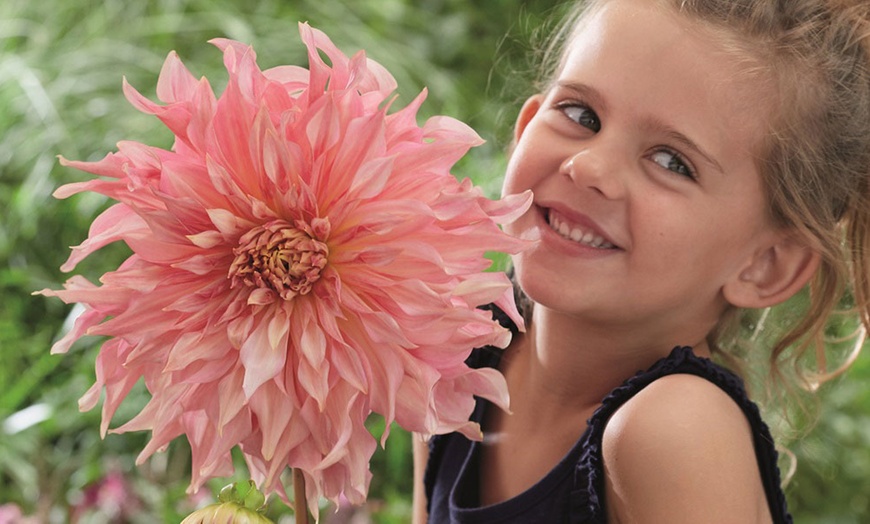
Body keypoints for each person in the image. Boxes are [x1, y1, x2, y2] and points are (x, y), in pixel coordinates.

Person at [411, 0, 870, 522]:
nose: (589, 167)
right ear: (526, 125)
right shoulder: (455, 341)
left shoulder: (673, 430)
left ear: (765, 266)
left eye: (672, 162)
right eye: (582, 115)